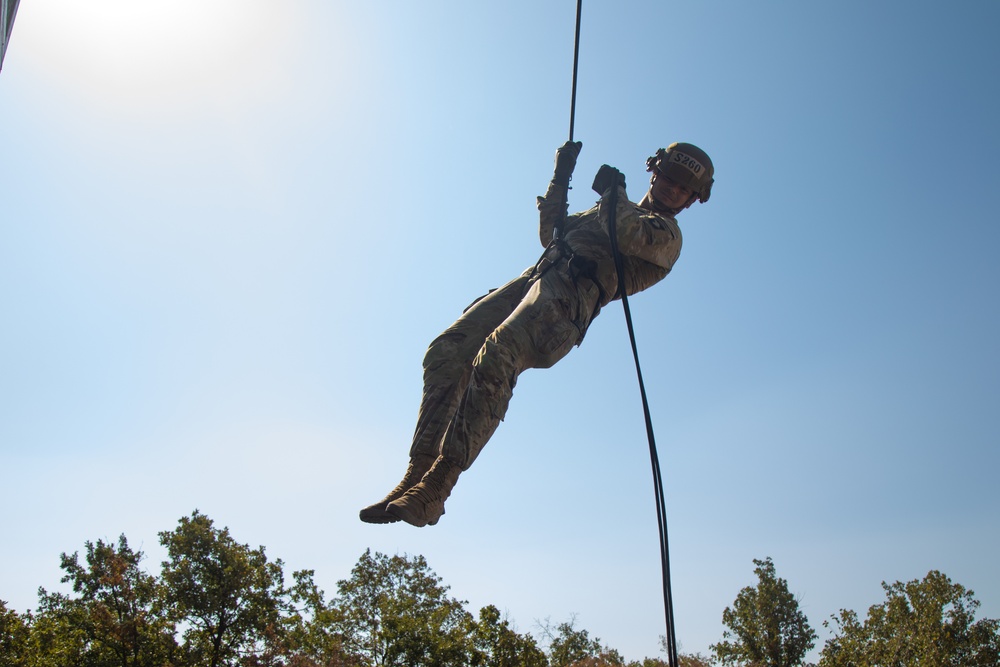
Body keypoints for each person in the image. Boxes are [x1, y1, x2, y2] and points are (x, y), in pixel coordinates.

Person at [359, 140, 715, 527]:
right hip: (534, 280)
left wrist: (615, 193)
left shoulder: (666, 236)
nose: (672, 190)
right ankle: (416, 476)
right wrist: (561, 176)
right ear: (655, 172)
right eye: (669, 179)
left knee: (499, 353)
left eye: (683, 189)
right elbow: (551, 234)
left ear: (691, 200)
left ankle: (436, 489)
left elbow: (624, 234)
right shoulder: (608, 208)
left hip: (569, 300)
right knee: (447, 351)